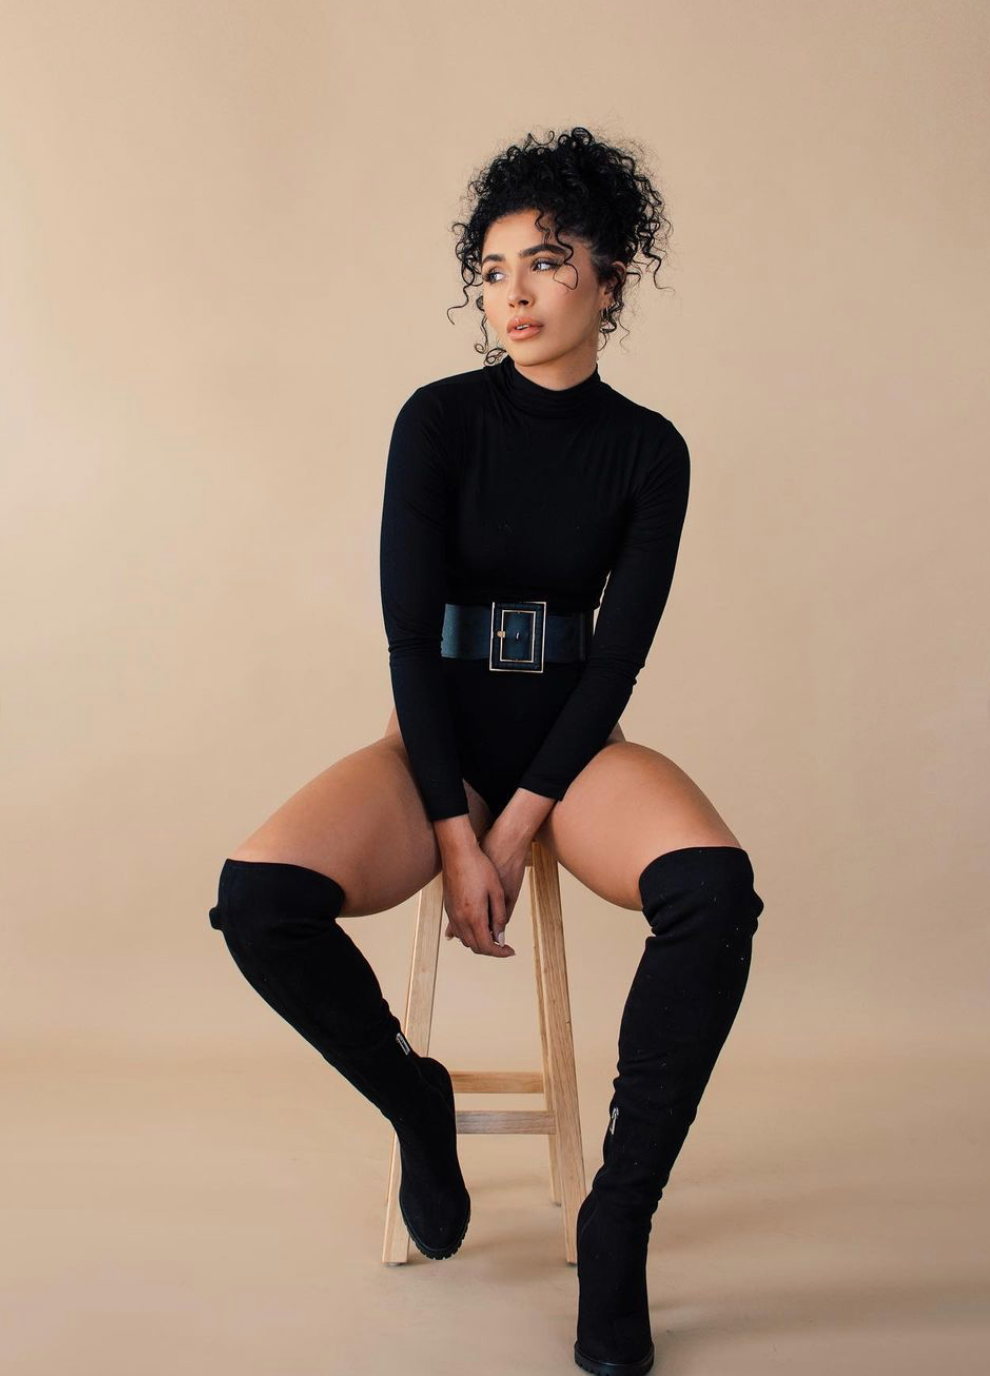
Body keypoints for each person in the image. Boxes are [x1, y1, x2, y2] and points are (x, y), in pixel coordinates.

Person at [207, 126, 765, 1376]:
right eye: (494, 268)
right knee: (257, 901)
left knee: (716, 894)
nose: (514, 293)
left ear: (610, 277)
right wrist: (457, 828)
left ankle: (616, 1220)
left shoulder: (650, 450)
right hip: (438, 739)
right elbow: (410, 636)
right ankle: (415, 1096)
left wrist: (519, 824)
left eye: (547, 262)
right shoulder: (439, 419)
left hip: (574, 746)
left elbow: (615, 660)